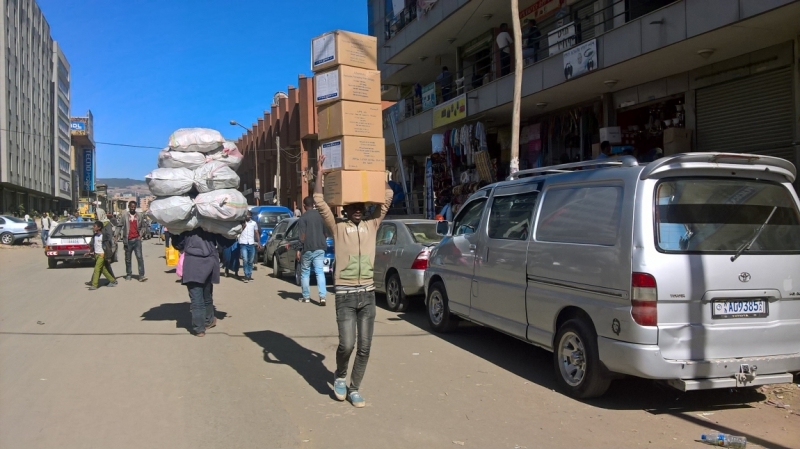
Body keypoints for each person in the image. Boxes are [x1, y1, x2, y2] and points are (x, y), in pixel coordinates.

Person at [313, 155, 393, 408]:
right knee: (347, 344)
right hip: (346, 296)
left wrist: (380, 173)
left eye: (361, 206)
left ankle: (355, 388)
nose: (357, 210)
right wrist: (320, 173)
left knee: (365, 347)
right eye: (352, 206)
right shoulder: (337, 227)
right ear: (345, 209)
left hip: (368, 295)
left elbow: (387, 198)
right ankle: (339, 376)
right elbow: (318, 201)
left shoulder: (372, 224)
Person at [171, 228, 233, 336]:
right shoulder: (211, 225)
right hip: (209, 263)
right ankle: (208, 321)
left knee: (196, 298)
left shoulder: (186, 226)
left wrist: (173, 233)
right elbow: (225, 242)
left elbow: (178, 245)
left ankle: (199, 329)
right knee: (207, 295)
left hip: (192, 263)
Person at [297, 196, 328, 305]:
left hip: (308, 248)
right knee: (320, 272)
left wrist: (299, 249)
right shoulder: (321, 216)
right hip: (320, 247)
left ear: (304, 205)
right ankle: (322, 297)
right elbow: (326, 233)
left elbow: (302, 235)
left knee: (305, 272)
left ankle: (306, 297)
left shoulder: (303, 218)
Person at [119, 200, 147, 282]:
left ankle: (141, 275)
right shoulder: (124, 216)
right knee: (128, 259)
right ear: (129, 207)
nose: (133, 209)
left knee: (139, 257)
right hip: (128, 240)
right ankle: (128, 274)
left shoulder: (139, 216)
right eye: (131, 207)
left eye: (134, 207)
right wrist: (116, 235)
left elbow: (143, 227)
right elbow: (119, 226)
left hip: (137, 240)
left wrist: (140, 235)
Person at [87, 220, 117, 290]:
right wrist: (90, 252)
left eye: (95, 226)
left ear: (99, 227)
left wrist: (108, 256)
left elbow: (107, 247)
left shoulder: (103, 236)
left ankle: (94, 285)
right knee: (103, 269)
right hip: (96, 254)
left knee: (97, 269)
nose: (93, 227)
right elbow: (94, 245)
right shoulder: (95, 236)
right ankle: (112, 281)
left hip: (102, 255)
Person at [238, 211, 260, 283]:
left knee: (251, 260)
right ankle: (246, 275)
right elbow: (238, 232)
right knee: (245, 259)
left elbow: (256, 232)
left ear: (250, 216)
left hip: (251, 243)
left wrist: (259, 242)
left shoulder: (254, 223)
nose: (247, 216)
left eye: (248, 215)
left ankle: (249, 274)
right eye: (246, 215)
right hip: (243, 243)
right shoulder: (241, 223)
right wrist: (243, 226)